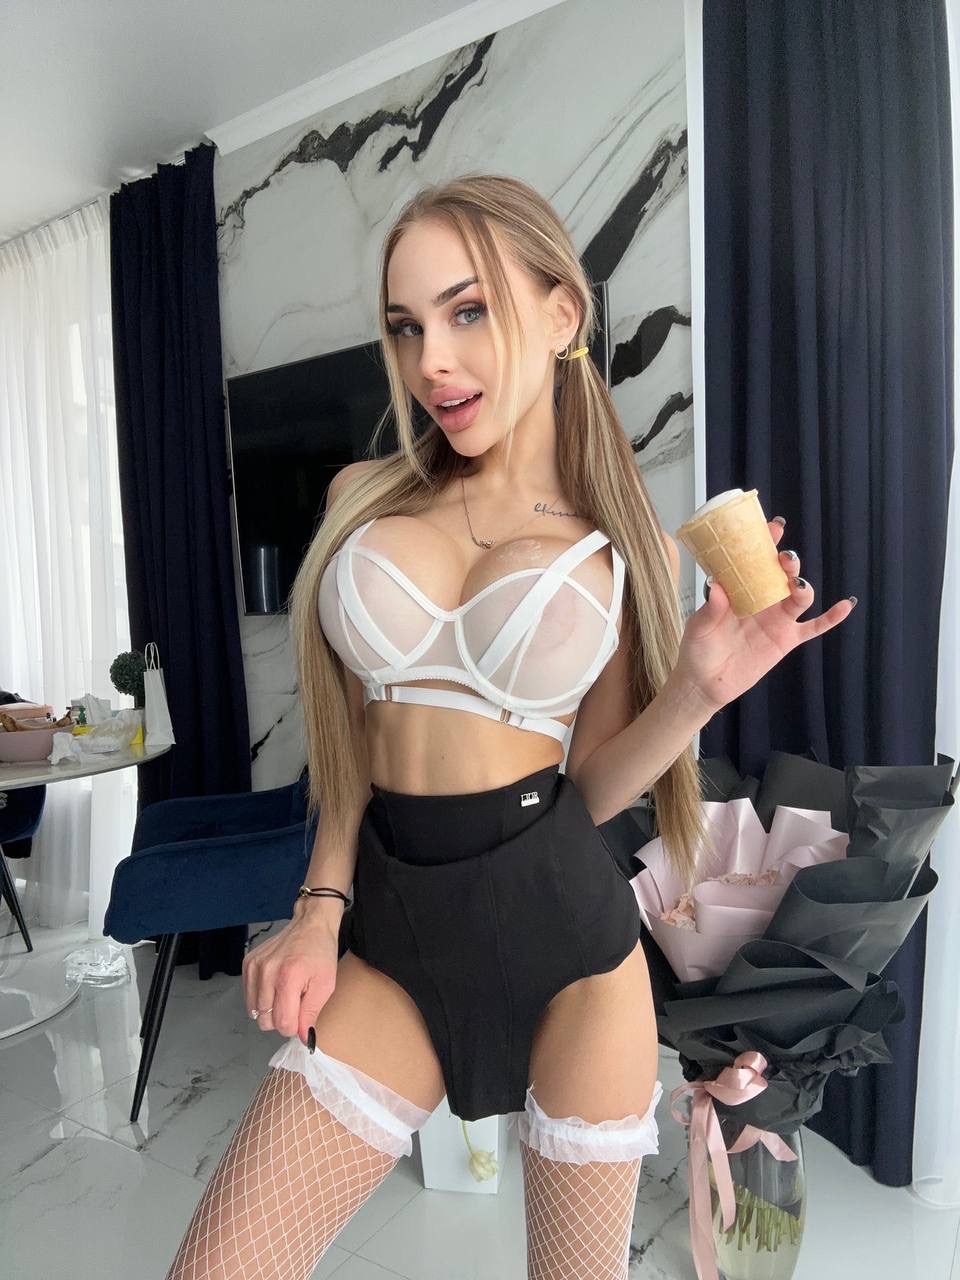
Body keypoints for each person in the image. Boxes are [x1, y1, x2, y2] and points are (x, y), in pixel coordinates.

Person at [165, 173, 854, 1280]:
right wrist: (319, 904)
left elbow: (592, 785)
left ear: (561, 311)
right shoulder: (363, 496)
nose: (431, 359)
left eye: (468, 310)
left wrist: (697, 693)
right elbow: (348, 742)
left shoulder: (614, 541)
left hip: (569, 944)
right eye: (406, 326)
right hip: (395, 932)